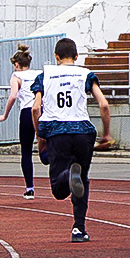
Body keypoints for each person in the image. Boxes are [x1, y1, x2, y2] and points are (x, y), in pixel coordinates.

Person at [31, 37, 112, 243]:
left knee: (59, 190)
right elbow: (103, 104)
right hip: (83, 131)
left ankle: (67, 175)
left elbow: (35, 109)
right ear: (76, 57)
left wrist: (40, 136)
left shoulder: (45, 76)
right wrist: (106, 134)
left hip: (58, 131)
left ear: (56, 57)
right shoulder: (86, 74)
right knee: (82, 180)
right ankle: (79, 228)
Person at [0, 44, 38, 198]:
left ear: (17, 65)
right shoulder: (40, 74)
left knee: (26, 151)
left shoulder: (16, 76)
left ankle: (30, 189)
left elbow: (13, 96)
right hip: (43, 111)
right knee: (49, 146)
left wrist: (4, 115)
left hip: (27, 112)